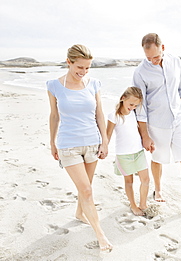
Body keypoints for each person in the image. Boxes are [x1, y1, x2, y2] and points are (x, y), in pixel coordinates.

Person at [47, 44, 112, 252]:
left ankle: (79, 213)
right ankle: (101, 235)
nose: (83, 72)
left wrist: (105, 141)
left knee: (87, 188)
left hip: (92, 142)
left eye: (87, 68)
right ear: (69, 62)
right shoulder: (54, 86)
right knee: (86, 189)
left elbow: (99, 114)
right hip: (68, 145)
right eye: (79, 67)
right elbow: (54, 115)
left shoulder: (93, 84)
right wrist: (52, 141)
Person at [133, 33, 181, 212]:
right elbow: (140, 106)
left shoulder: (176, 62)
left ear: (163, 48)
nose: (153, 61)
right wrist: (145, 135)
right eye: (148, 57)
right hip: (157, 124)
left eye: (156, 56)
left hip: (178, 119)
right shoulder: (140, 72)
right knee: (158, 159)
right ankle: (158, 190)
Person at [106, 87, 150, 216]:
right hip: (123, 154)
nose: (133, 107)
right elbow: (107, 135)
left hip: (138, 152)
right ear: (122, 98)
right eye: (131, 104)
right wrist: (104, 148)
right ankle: (133, 205)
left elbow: (139, 130)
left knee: (146, 180)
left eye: (136, 105)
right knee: (129, 181)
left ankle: (143, 204)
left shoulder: (134, 113)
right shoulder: (113, 116)